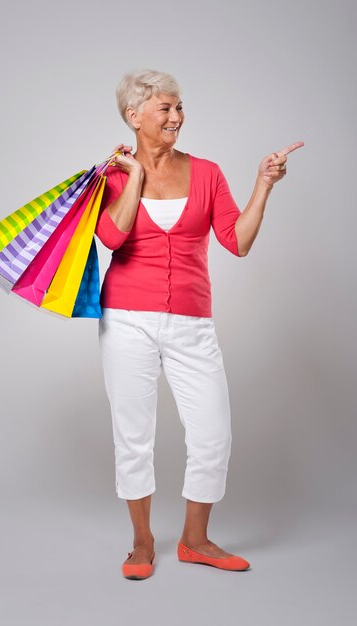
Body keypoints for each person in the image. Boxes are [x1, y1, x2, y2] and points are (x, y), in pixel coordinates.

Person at [94, 69, 304, 580]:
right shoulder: (112, 176)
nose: (176, 117)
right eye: (164, 108)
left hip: (191, 321)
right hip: (126, 319)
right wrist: (137, 174)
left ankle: (195, 540)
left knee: (213, 436)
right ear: (134, 116)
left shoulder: (207, 172)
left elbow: (238, 240)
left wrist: (263, 185)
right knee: (133, 436)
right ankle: (142, 543)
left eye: (179, 107)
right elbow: (112, 238)